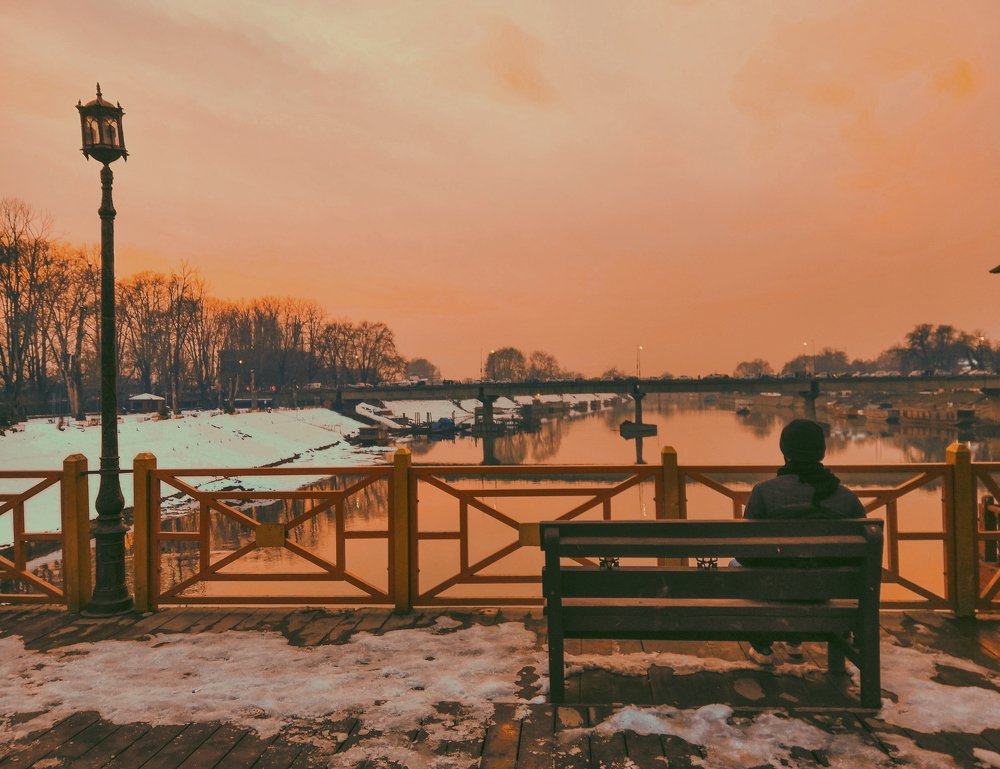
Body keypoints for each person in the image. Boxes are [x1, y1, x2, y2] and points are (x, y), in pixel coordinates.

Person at [741, 418, 865, 665]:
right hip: (827, 590)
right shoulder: (846, 498)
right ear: (822, 451)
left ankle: (763, 646)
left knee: (738, 570)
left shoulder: (765, 493)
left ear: (784, 451)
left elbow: (746, 554)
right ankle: (795, 641)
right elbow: (860, 557)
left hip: (777, 589)